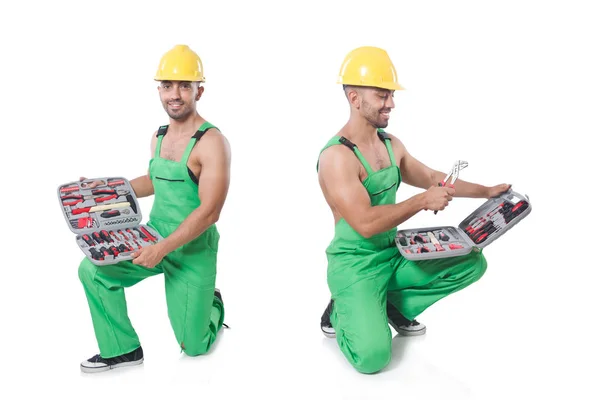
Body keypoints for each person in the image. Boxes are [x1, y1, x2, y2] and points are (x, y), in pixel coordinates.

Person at [316, 46, 511, 374]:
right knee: (373, 359)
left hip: (392, 256)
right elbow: (364, 223)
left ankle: (386, 305)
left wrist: (486, 192)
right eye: (381, 95)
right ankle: (340, 310)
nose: (391, 103)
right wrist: (422, 202)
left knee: (471, 262)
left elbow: (433, 179)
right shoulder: (337, 157)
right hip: (355, 265)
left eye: (391, 94)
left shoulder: (391, 144)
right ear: (354, 98)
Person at [78, 44, 231, 373]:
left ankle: (213, 305)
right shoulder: (159, 137)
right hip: (154, 236)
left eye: (184, 86)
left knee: (194, 347)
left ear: (198, 91)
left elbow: (210, 211)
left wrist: (162, 249)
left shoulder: (212, 142)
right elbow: (154, 180)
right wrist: (104, 191)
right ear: (159, 90)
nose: (174, 94)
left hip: (192, 250)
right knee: (92, 271)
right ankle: (123, 349)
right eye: (167, 86)